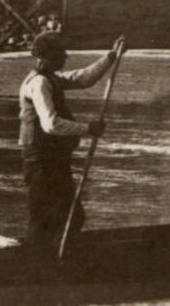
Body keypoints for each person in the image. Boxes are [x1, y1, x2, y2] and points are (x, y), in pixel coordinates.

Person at [19, 31, 123, 247]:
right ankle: (39, 261)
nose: (65, 58)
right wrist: (88, 129)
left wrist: (111, 56)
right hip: (41, 160)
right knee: (46, 219)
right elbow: (51, 124)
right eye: (60, 54)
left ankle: (54, 256)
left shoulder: (51, 78)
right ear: (47, 57)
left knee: (69, 217)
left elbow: (82, 79)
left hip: (53, 158)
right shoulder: (39, 83)